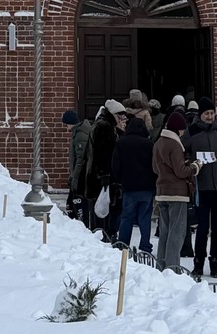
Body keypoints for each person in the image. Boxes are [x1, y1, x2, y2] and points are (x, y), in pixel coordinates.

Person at [183, 97, 217, 278]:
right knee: (202, 228)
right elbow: (183, 152)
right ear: (200, 115)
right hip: (202, 186)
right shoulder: (192, 131)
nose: (210, 116)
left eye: (212, 113)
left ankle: (215, 263)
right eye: (207, 113)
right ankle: (198, 263)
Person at [153, 109, 197, 272]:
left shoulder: (158, 143)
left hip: (162, 191)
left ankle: (161, 265)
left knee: (164, 231)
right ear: (177, 128)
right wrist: (194, 166)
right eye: (182, 128)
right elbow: (181, 171)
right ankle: (172, 268)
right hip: (177, 193)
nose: (184, 131)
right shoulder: (175, 144)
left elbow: (154, 168)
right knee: (176, 233)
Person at [112, 107, 156, 253]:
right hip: (147, 187)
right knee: (145, 218)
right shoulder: (149, 144)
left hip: (129, 186)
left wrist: (119, 179)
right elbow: (154, 165)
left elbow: (115, 165)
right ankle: (145, 245)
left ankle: (123, 244)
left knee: (127, 217)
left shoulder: (122, 143)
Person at [80, 101, 126, 234]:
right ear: (114, 114)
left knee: (101, 209)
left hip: (96, 176)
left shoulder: (103, 125)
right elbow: (103, 153)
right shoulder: (104, 126)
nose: (122, 119)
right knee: (101, 211)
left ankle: (102, 235)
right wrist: (104, 174)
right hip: (100, 178)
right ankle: (102, 237)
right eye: (120, 115)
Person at [62, 108, 92, 218]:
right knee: (73, 202)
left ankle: (80, 223)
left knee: (77, 202)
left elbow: (80, 158)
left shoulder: (80, 135)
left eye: (66, 124)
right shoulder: (79, 132)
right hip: (80, 175)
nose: (66, 127)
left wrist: (74, 176)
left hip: (80, 176)